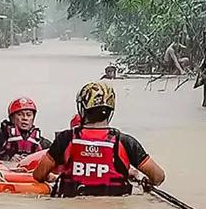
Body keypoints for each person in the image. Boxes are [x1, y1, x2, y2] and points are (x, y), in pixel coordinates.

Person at [33, 82, 165, 197]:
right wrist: (146, 182)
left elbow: (38, 175)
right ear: (110, 110)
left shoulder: (65, 139)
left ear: (83, 108)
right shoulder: (126, 142)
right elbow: (158, 177)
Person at [0, 97, 52, 162]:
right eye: (20, 114)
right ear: (12, 118)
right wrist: (7, 158)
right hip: (6, 170)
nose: (25, 118)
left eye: (28, 115)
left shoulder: (41, 142)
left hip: (31, 171)